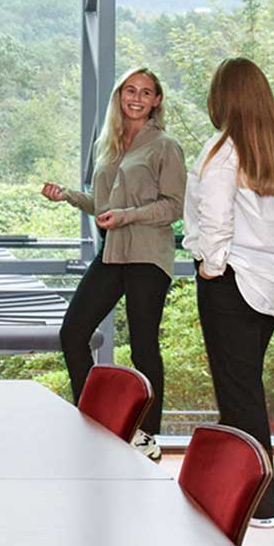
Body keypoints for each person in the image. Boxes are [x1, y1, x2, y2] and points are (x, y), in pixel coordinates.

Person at [183, 57, 274, 529]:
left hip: (231, 284)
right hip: (272, 289)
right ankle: (239, 495)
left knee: (238, 397)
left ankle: (259, 505)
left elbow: (214, 223)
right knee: (243, 392)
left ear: (222, 98)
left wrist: (211, 268)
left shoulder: (222, 152)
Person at [43, 67, 185, 461]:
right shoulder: (107, 146)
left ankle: (147, 435)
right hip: (112, 254)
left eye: (146, 92)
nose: (137, 98)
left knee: (143, 346)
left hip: (148, 255)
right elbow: (102, 206)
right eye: (130, 90)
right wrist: (69, 196)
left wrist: (126, 216)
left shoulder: (165, 147)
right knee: (72, 333)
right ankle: (95, 419)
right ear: (119, 95)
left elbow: (175, 206)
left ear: (157, 100)